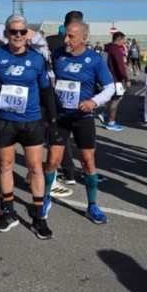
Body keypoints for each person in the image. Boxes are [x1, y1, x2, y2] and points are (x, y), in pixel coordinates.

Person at [0, 14, 59, 239]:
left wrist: (52, 120)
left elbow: (47, 90)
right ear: (6, 33)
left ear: (26, 33)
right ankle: (9, 212)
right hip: (5, 121)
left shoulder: (37, 58)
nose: (18, 35)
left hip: (31, 121)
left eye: (22, 31)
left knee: (35, 168)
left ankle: (39, 217)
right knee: (5, 166)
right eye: (13, 31)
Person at [44, 21, 114, 224]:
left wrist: (93, 102)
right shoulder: (58, 55)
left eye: (71, 37)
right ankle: (46, 199)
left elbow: (109, 88)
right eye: (65, 35)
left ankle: (92, 205)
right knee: (52, 161)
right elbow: (49, 76)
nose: (66, 40)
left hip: (83, 118)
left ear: (84, 38)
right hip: (61, 117)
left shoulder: (94, 59)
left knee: (87, 162)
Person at [45, 10, 85, 190]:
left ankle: (66, 172)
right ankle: (68, 172)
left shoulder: (49, 40)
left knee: (58, 139)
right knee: (62, 138)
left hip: (56, 98)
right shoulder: (55, 42)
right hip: (61, 99)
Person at [101, 32, 130, 131]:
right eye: (123, 41)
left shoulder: (107, 48)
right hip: (116, 79)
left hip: (108, 77)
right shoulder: (116, 50)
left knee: (113, 97)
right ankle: (110, 121)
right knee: (117, 98)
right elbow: (120, 66)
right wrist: (126, 79)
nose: (124, 43)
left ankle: (105, 113)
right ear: (119, 40)